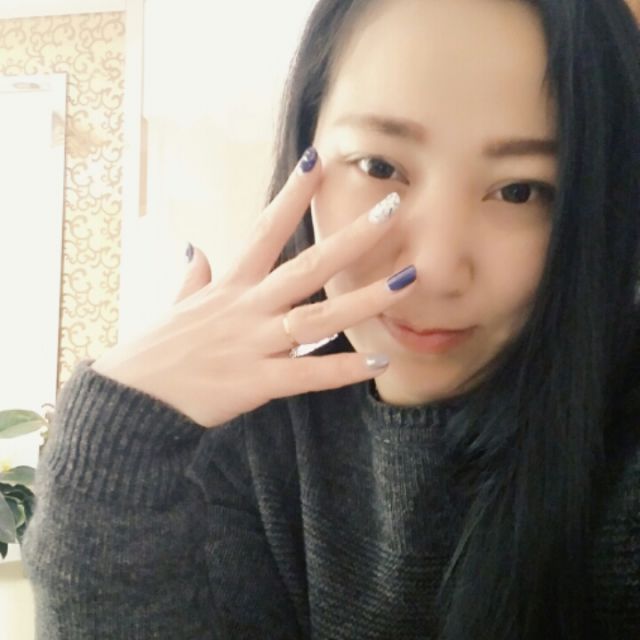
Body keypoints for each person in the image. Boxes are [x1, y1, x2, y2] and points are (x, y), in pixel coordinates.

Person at [22, 0, 640, 638]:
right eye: (379, 167)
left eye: (520, 190)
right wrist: (112, 447)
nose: (434, 269)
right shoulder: (247, 453)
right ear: (305, 153)